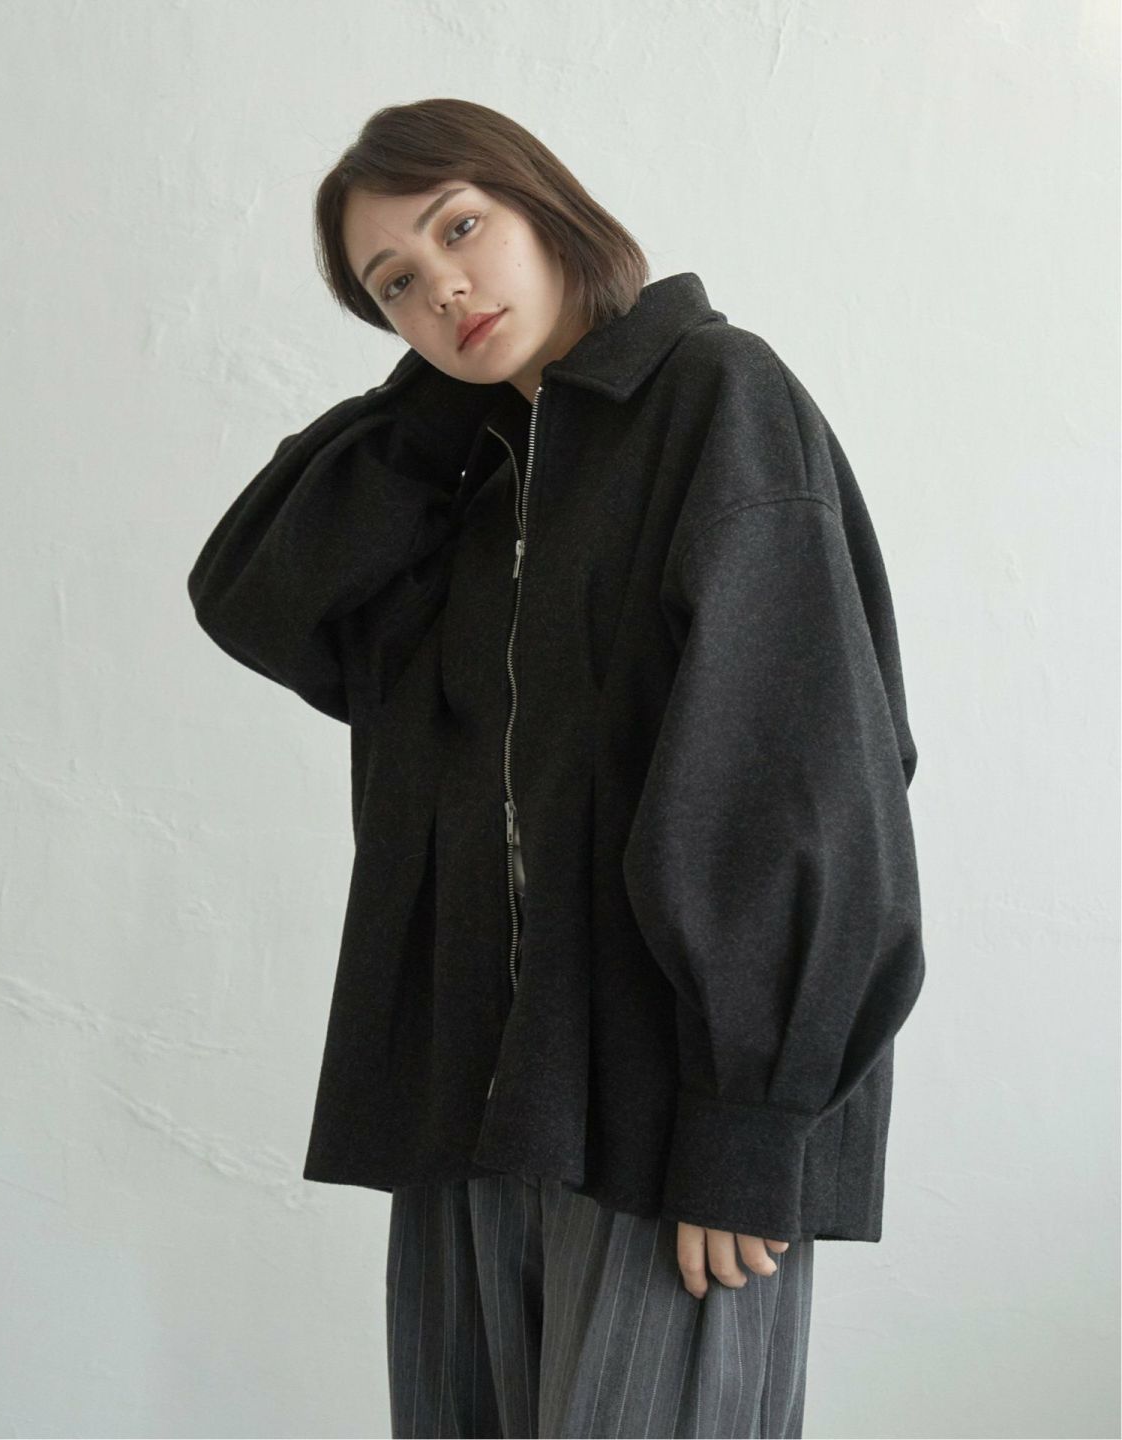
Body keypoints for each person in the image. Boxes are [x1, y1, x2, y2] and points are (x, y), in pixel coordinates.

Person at [187, 97, 926, 1439]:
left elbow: (802, 772)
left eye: (460, 226)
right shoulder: (462, 482)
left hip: (668, 1129)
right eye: (393, 284)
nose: (440, 286)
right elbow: (259, 598)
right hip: (472, 1113)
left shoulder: (716, 395)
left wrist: (747, 1121)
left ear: (547, 206)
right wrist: (436, 414)